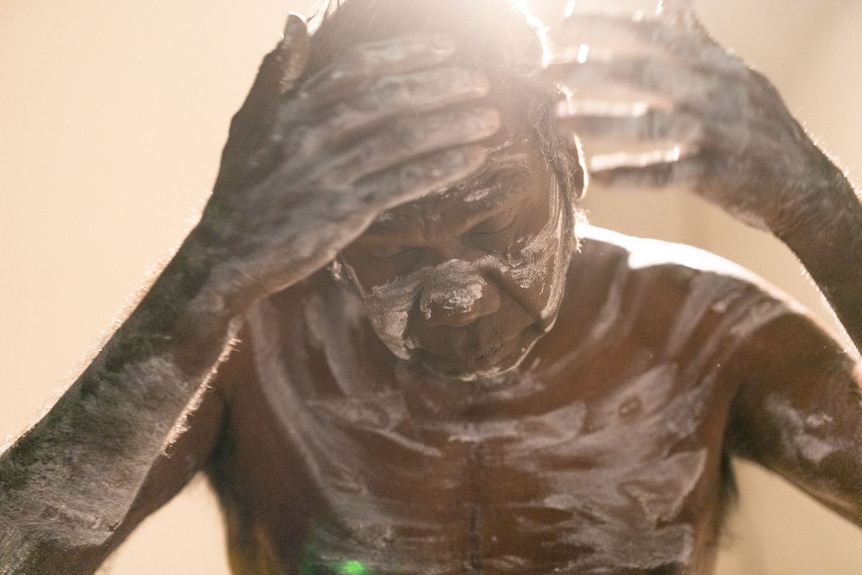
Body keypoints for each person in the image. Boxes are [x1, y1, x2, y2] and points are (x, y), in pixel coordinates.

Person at [1, 0, 861, 573]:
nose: (458, 297)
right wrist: (209, 270)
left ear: (568, 162)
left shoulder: (702, 329)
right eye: (393, 249)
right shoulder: (245, 348)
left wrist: (821, 212)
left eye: (489, 226)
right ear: (328, 239)